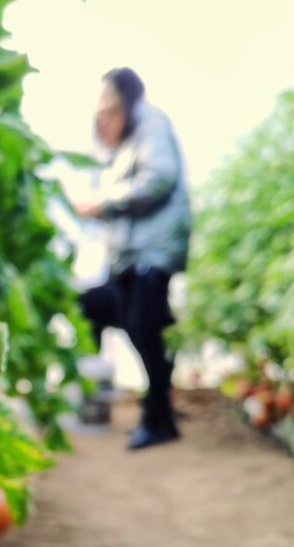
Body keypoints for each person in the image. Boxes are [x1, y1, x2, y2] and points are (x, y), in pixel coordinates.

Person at [75, 67, 192, 450]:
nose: (102, 112)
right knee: (107, 311)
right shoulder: (122, 141)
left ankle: (158, 419)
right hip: (128, 257)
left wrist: (105, 202)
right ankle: (140, 401)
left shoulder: (152, 125)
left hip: (152, 252)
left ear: (125, 99)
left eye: (108, 104)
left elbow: (159, 179)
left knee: (143, 328)